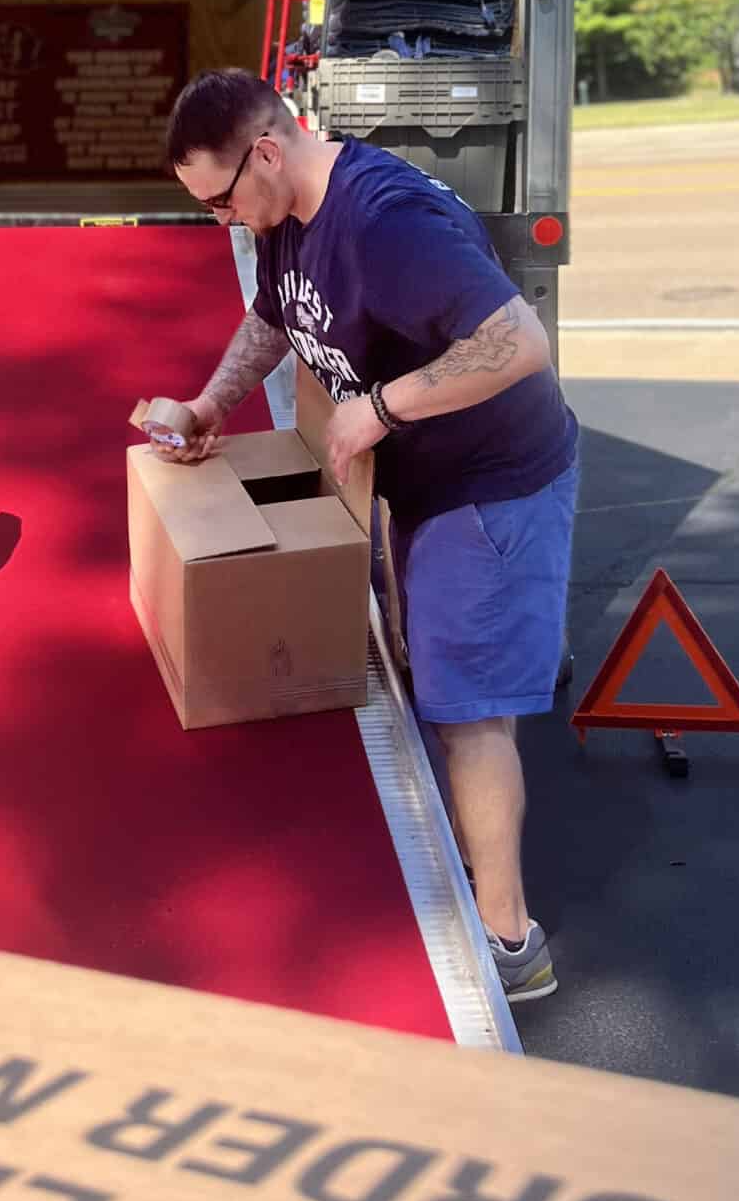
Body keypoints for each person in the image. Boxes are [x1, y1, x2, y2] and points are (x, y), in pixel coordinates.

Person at [147, 68, 577, 1004]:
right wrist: (211, 404)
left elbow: (519, 341)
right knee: (450, 681)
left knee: (468, 711)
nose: (221, 221)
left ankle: (511, 942)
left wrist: (381, 407)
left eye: (220, 201)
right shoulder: (284, 215)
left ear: (267, 152)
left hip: (489, 486)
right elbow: (277, 317)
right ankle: (487, 842)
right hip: (425, 483)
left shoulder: (385, 222)